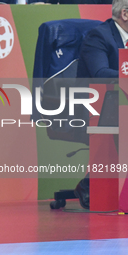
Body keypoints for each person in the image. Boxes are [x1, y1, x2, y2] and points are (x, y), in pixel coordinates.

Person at [75, 0, 125, 209]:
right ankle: (89, 182)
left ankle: (89, 181)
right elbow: (100, 73)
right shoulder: (99, 36)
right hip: (95, 105)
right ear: (125, 13)